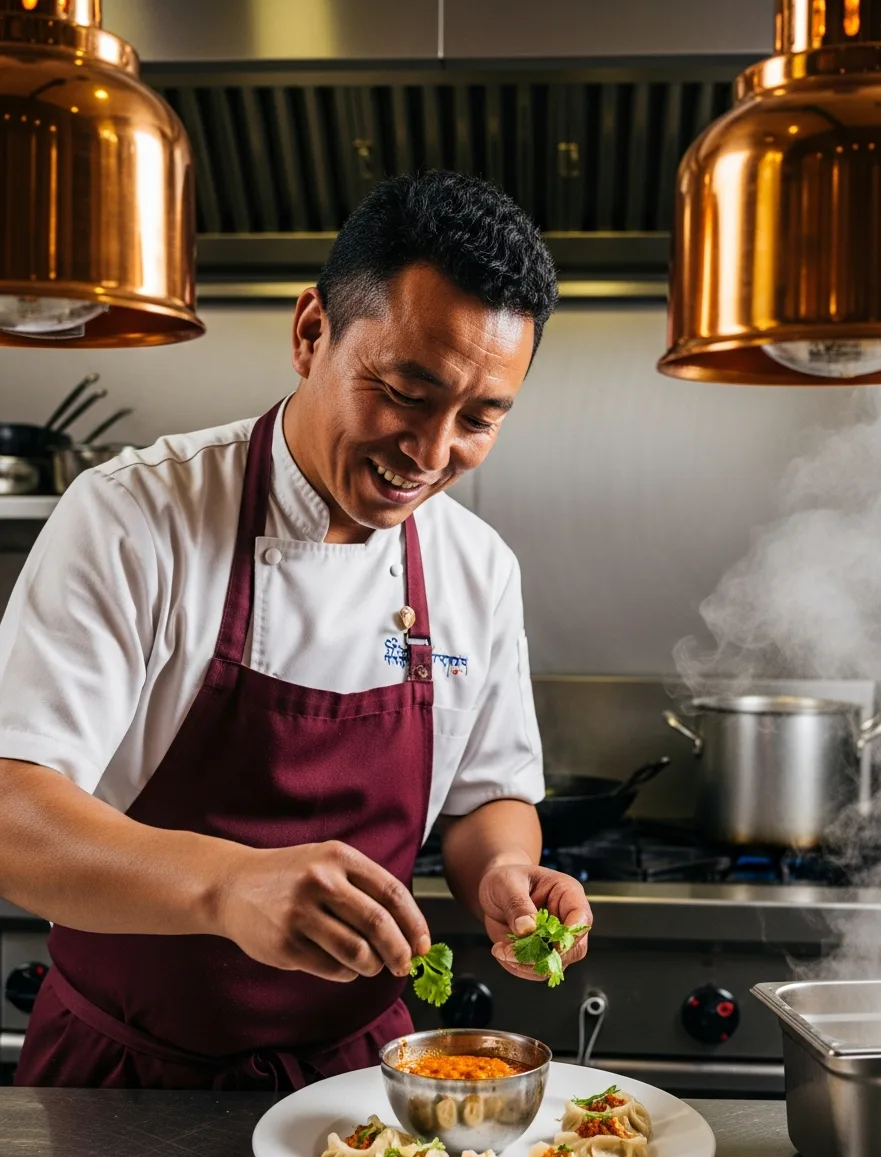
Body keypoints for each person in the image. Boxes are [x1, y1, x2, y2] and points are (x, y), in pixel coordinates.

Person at [0, 170, 591, 1089]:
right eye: (404, 391)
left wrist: (505, 875)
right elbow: (11, 812)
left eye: (479, 419)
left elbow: (488, 798)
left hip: (359, 1083)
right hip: (122, 1078)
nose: (431, 455)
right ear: (312, 332)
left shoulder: (477, 566)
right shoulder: (135, 517)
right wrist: (227, 885)